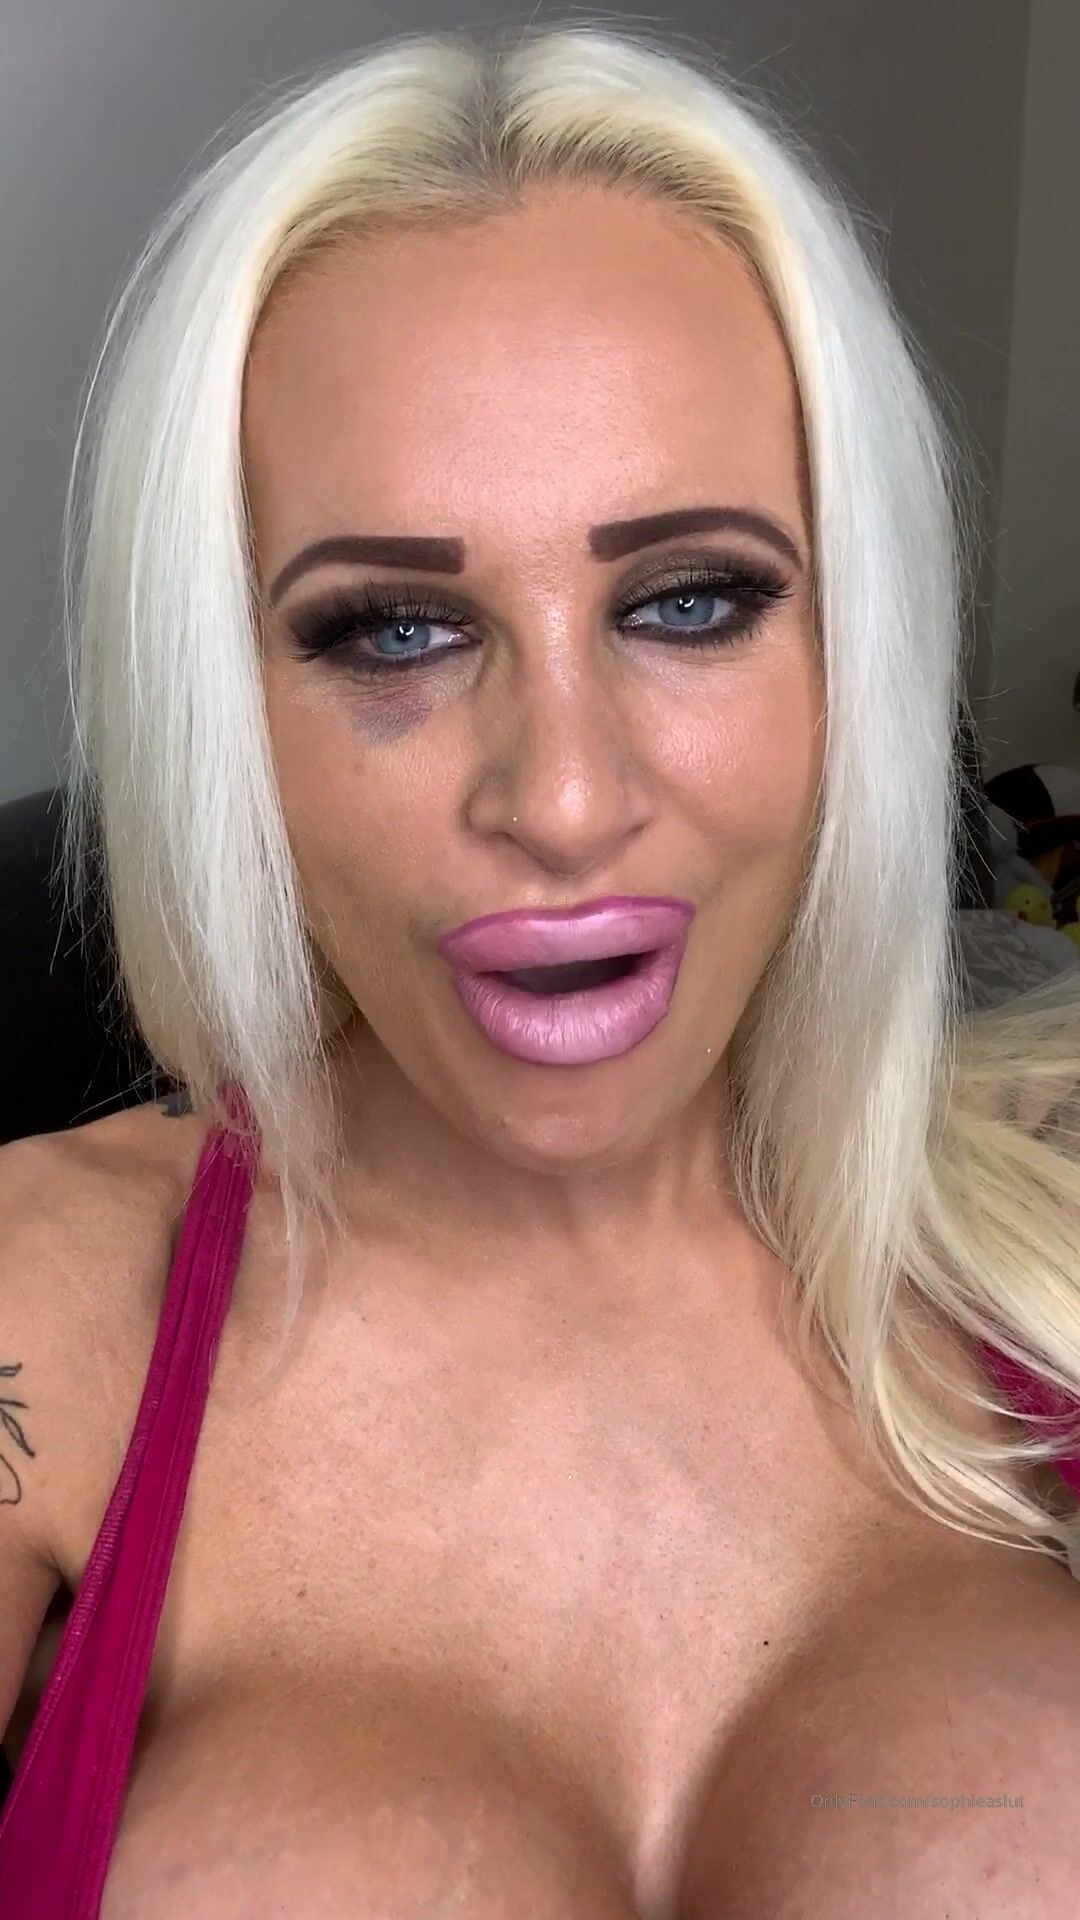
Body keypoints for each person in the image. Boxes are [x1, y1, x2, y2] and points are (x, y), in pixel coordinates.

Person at [2, 18, 1079, 1918]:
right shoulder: (41, 1307)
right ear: (225, 712)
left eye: (693, 600)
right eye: (393, 630)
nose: (566, 798)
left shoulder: (1055, 1218)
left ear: (856, 654)